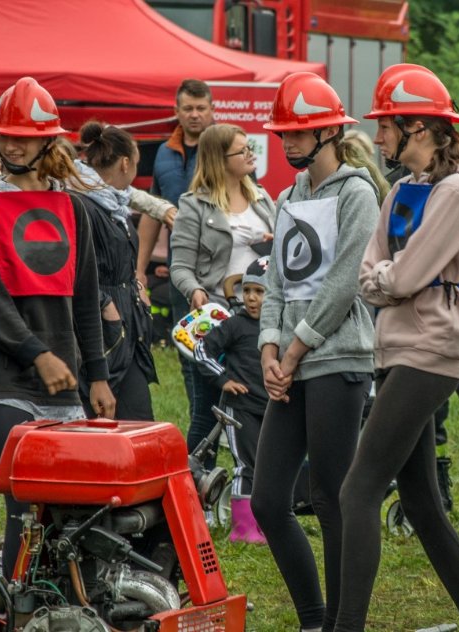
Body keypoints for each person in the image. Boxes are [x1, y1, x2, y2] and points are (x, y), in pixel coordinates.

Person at [338, 64, 459, 632]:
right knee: (424, 504)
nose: (377, 137)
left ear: (419, 130)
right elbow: (370, 272)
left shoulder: (458, 191)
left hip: (430, 348)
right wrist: (392, 277)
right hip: (398, 347)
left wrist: (390, 278)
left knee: (357, 489)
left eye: (387, 127)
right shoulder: (403, 189)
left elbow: (398, 280)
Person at [0, 77, 115, 581]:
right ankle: (18, 599)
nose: (12, 144)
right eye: (6, 135)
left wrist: (98, 374)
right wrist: (37, 354)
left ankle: (58, 599)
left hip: (64, 380)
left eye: (23, 135)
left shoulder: (74, 208)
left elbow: (86, 301)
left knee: (65, 505)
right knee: (25, 493)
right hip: (0, 377)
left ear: (48, 140)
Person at [251, 71, 382, 632]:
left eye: (300, 133)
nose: (289, 143)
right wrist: (269, 348)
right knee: (266, 501)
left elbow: (344, 283)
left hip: (339, 360)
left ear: (331, 132)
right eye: (284, 134)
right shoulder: (286, 198)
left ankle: (340, 622)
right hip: (292, 362)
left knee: (331, 499)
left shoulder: (357, 192)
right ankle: (314, 618)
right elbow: (278, 282)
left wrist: (296, 349)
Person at [171, 123, 274, 467]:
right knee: (209, 408)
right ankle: (197, 489)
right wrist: (195, 290)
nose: (250, 155)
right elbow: (180, 266)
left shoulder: (263, 199)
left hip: (261, 317)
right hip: (219, 316)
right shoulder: (194, 205)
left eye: (250, 149)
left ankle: (256, 481)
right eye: (242, 151)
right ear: (219, 159)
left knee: (261, 401)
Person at [147, 79, 214, 461]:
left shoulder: (224, 151)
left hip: (218, 273)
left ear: (211, 109)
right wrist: (141, 268)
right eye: (187, 108)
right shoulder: (164, 155)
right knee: (187, 350)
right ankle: (199, 428)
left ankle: (222, 431)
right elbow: (153, 214)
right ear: (177, 110)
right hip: (179, 269)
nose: (194, 115)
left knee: (218, 355)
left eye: (200, 107)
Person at [75, 123, 158, 420]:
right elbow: (75, 270)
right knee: (98, 424)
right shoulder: (83, 204)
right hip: (99, 333)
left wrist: (134, 284)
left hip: (128, 331)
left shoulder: (114, 205)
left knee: (137, 422)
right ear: (125, 162)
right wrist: (104, 303)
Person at [195, 256, 271, 544]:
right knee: (246, 465)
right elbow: (202, 349)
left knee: (268, 467)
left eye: (259, 292)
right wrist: (223, 379)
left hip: (272, 407)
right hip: (240, 410)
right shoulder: (236, 325)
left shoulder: (281, 326)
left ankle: (265, 523)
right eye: (247, 291)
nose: (251, 298)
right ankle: (242, 529)